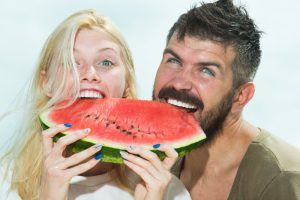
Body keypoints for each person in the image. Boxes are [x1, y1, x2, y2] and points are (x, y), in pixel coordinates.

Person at [0, 9, 191, 200]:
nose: (90, 73)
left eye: (106, 62)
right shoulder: (6, 182)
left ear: (127, 83)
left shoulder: (168, 190)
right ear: (46, 83)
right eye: (72, 63)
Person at [152, 0, 300, 199]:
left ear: (241, 96)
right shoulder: (153, 161)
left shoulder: (282, 179)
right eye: (174, 60)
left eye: (206, 71)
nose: (179, 84)